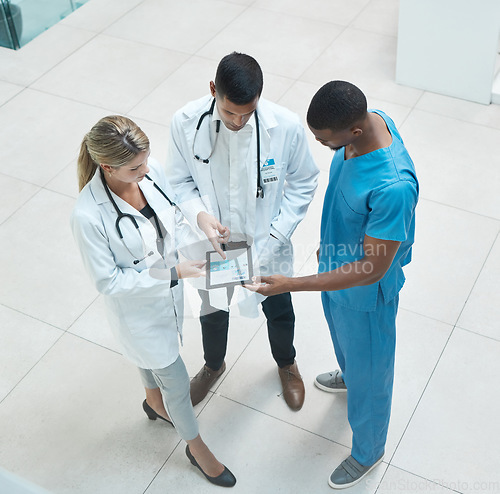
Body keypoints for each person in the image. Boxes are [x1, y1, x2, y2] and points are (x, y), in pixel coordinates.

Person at [247, 81, 419, 489]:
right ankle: (350, 372)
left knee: (372, 372)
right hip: (336, 273)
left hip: (364, 291)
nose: (326, 148)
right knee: (345, 343)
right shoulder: (370, 120)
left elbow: (371, 269)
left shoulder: (393, 187)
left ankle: (368, 451)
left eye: (327, 143)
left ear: (354, 132)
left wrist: (293, 283)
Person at [71, 115, 236, 488]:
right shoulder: (87, 215)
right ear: (107, 167)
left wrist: (203, 220)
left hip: (168, 294)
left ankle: (152, 402)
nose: (146, 170)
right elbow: (108, 281)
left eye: (146, 161)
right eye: (135, 167)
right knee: (176, 381)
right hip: (138, 313)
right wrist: (172, 273)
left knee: (155, 369)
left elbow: (174, 208)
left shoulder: (150, 171)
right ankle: (195, 447)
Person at [166, 52, 319, 411]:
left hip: (268, 241)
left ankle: (287, 364)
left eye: (247, 112)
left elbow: (304, 181)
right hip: (218, 242)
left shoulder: (285, 126)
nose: (238, 120)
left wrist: (278, 234)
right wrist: (200, 215)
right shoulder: (185, 122)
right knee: (214, 309)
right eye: (229, 111)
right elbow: (179, 180)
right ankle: (213, 365)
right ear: (212, 90)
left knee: (279, 307)